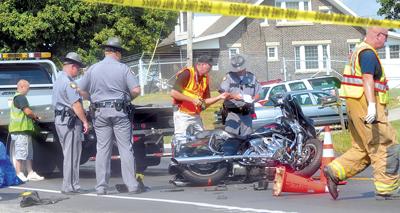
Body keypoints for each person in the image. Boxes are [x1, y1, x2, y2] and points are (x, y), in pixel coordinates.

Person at [324, 27, 400, 200]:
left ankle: (335, 171)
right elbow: (367, 79)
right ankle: (386, 189)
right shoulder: (368, 54)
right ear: (379, 35)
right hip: (366, 107)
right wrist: (372, 107)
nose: (386, 41)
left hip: (355, 107)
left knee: (363, 149)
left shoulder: (357, 51)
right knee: (386, 146)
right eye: (385, 37)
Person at [78, 37, 144, 195]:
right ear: (117, 52)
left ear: (106, 52)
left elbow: (80, 90)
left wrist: (92, 98)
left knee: (102, 150)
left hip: (100, 113)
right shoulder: (123, 68)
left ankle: (101, 187)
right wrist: (126, 99)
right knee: (125, 149)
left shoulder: (93, 69)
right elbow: (136, 90)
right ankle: (132, 185)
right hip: (119, 112)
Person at [170, 55, 228, 149]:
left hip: (196, 115)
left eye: (211, 67)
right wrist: (192, 100)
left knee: (201, 140)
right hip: (182, 114)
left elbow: (205, 102)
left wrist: (219, 97)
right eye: (208, 66)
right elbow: (173, 93)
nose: (210, 69)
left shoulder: (205, 78)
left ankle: (196, 161)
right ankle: (180, 160)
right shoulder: (187, 73)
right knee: (181, 141)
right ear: (200, 65)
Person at [52, 52, 89, 195]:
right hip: (70, 122)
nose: (78, 72)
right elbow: (76, 105)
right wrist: (85, 121)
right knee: (72, 155)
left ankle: (71, 185)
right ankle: (70, 186)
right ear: (73, 66)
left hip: (61, 120)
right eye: (78, 69)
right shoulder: (70, 83)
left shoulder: (58, 80)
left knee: (68, 154)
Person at [219, 54, 261, 155]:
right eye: (235, 68)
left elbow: (259, 93)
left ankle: (245, 161)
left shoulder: (252, 77)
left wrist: (254, 99)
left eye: (240, 68)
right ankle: (229, 161)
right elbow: (222, 93)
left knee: (247, 140)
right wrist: (234, 96)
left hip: (246, 114)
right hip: (232, 114)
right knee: (231, 139)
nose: (238, 70)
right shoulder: (228, 77)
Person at [9, 80, 44, 182]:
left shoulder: (18, 97)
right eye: (28, 88)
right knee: (21, 152)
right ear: (22, 87)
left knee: (28, 152)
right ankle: (18, 173)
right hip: (20, 129)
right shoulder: (20, 97)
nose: (28, 91)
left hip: (23, 130)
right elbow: (27, 112)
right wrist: (35, 117)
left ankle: (30, 172)